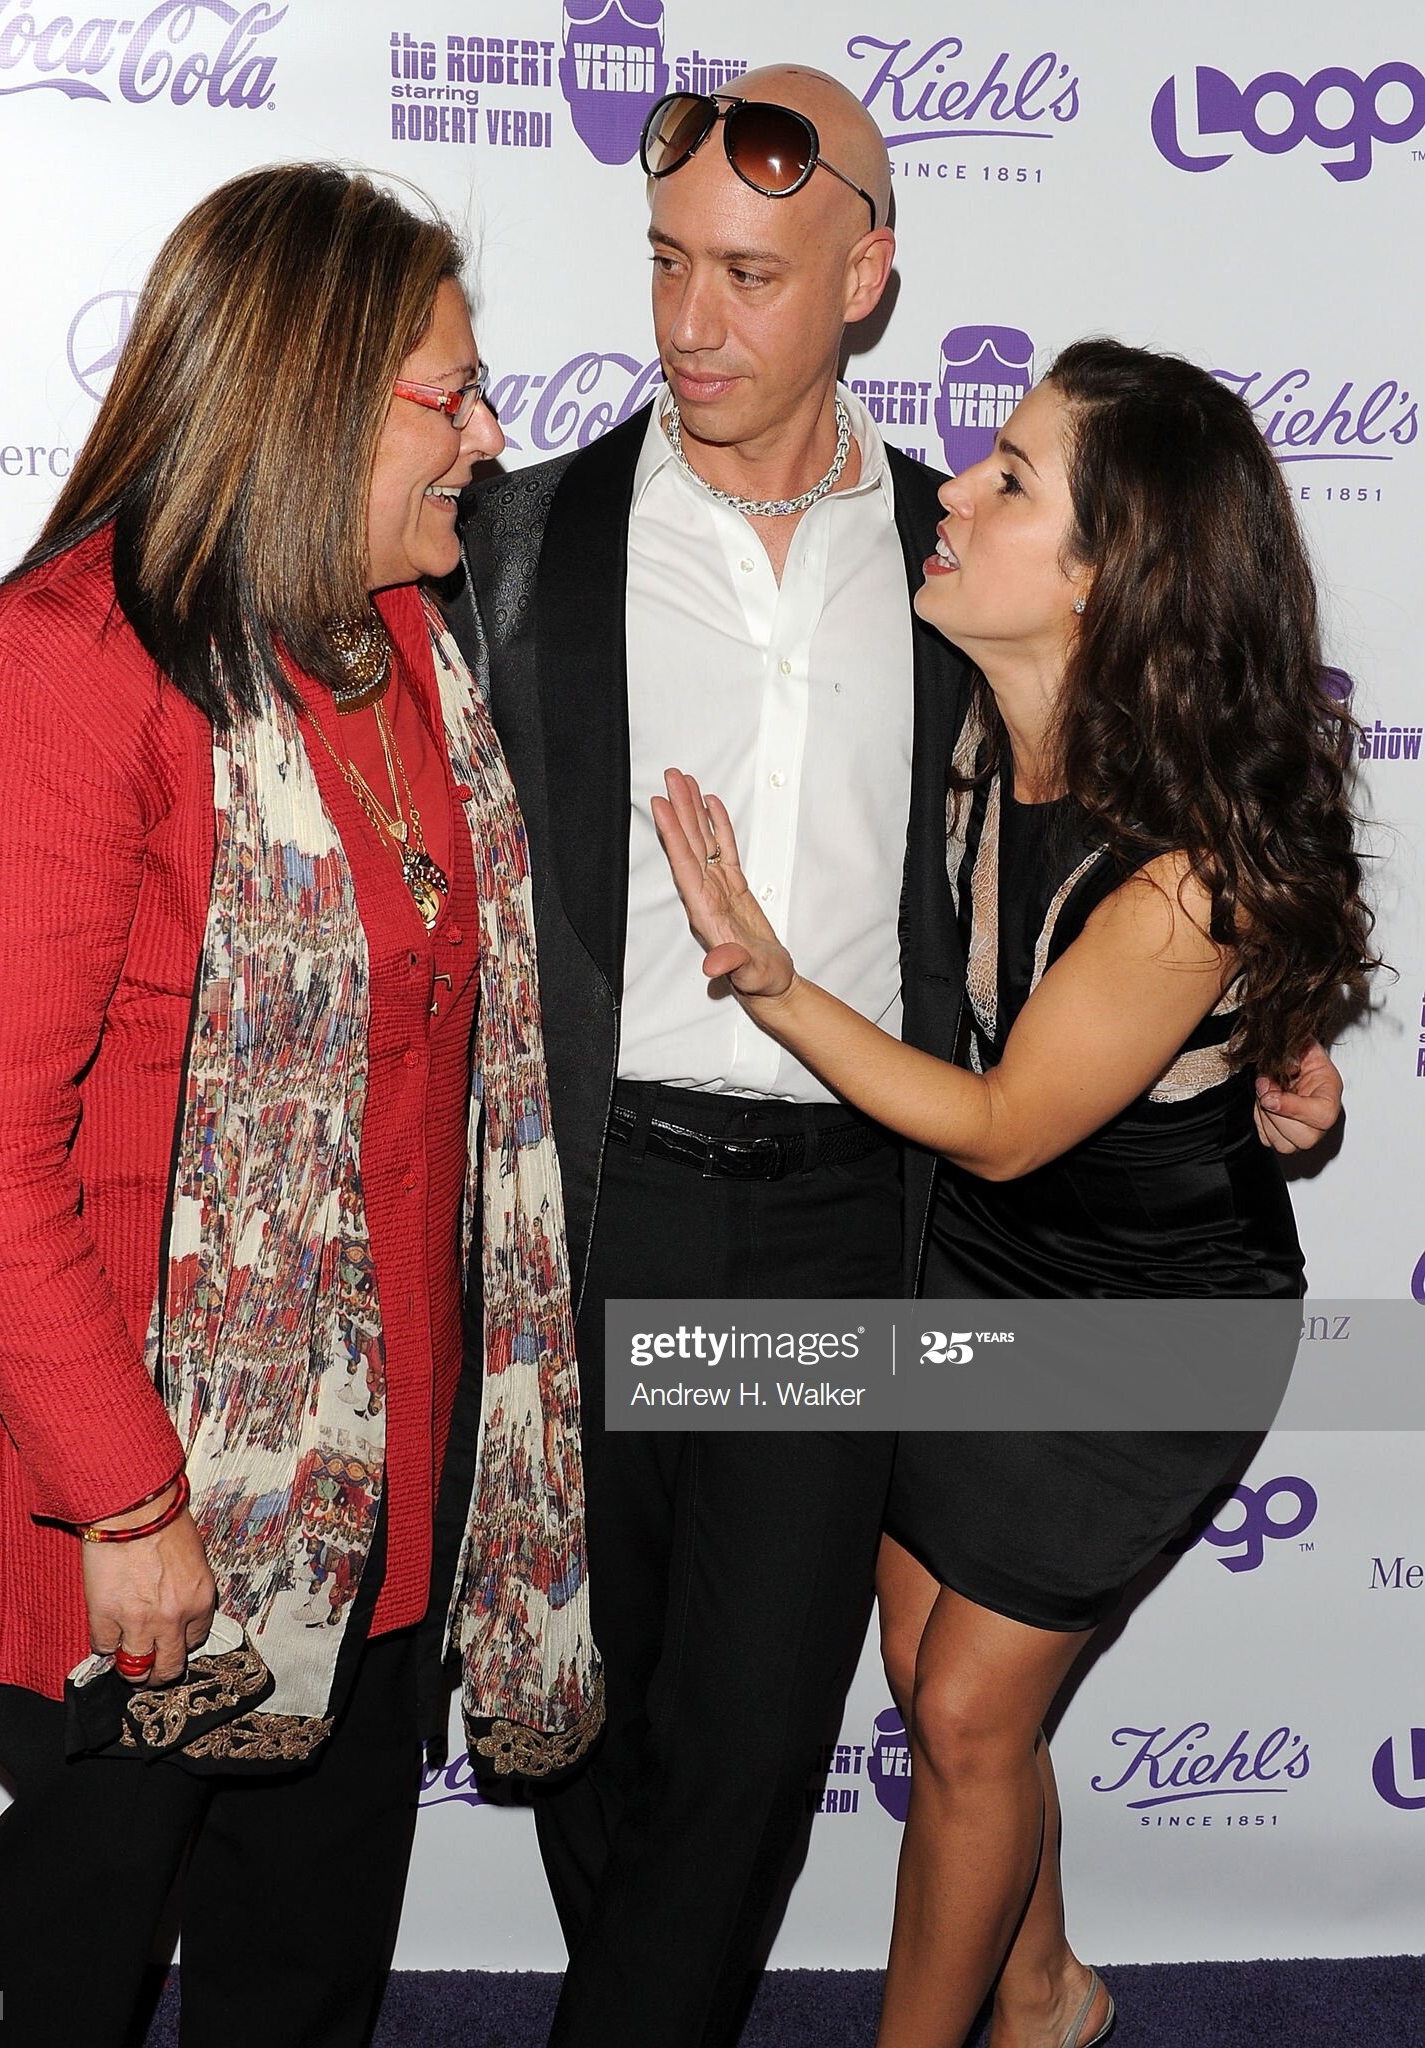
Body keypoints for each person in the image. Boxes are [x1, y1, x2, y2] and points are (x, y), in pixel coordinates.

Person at [440, 64, 1343, 2048]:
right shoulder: (511, 546)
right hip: (593, 1207)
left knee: (766, 1727)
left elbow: (1162, 837)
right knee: (587, 1711)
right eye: (668, 264)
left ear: (868, 273)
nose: (692, 321)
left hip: (862, 1229)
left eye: (752, 274)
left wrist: (1273, 1059)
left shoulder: (967, 564)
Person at [0, 162, 598, 2048]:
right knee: (52, 1969)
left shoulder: (397, 654)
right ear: (304, 397)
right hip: (139, 1516)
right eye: (445, 393)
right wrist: (129, 1505)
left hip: (387, 1492)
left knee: (304, 1967)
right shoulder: (58, 680)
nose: (486, 433)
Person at [652, 338, 1375, 2048]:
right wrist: (1284, 1060)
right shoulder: (968, 723)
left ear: (1108, 574)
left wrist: (764, 976)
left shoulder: (1182, 873)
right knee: (927, 1687)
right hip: (973, 1271)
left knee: (969, 1715)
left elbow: (995, 1121)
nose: (953, 495)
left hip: (1152, 1328)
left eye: (1009, 481)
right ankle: (1043, 1990)